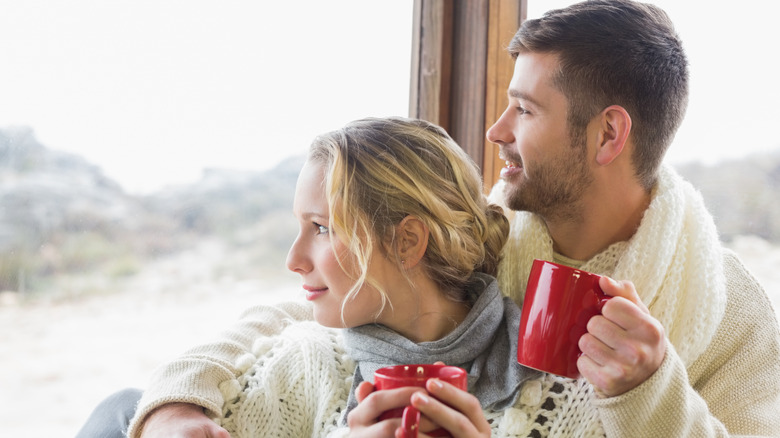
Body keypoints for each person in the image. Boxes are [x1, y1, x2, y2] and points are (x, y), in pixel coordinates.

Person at [77, 0, 780, 436]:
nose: (497, 129)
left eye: (526, 110)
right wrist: (176, 398)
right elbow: (309, 317)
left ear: (608, 135)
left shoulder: (729, 312)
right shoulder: (488, 233)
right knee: (118, 411)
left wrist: (650, 394)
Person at [126, 116, 549, 437]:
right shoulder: (296, 368)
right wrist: (168, 409)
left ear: (407, 242)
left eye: (322, 228)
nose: (293, 259)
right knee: (120, 407)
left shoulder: (551, 377)